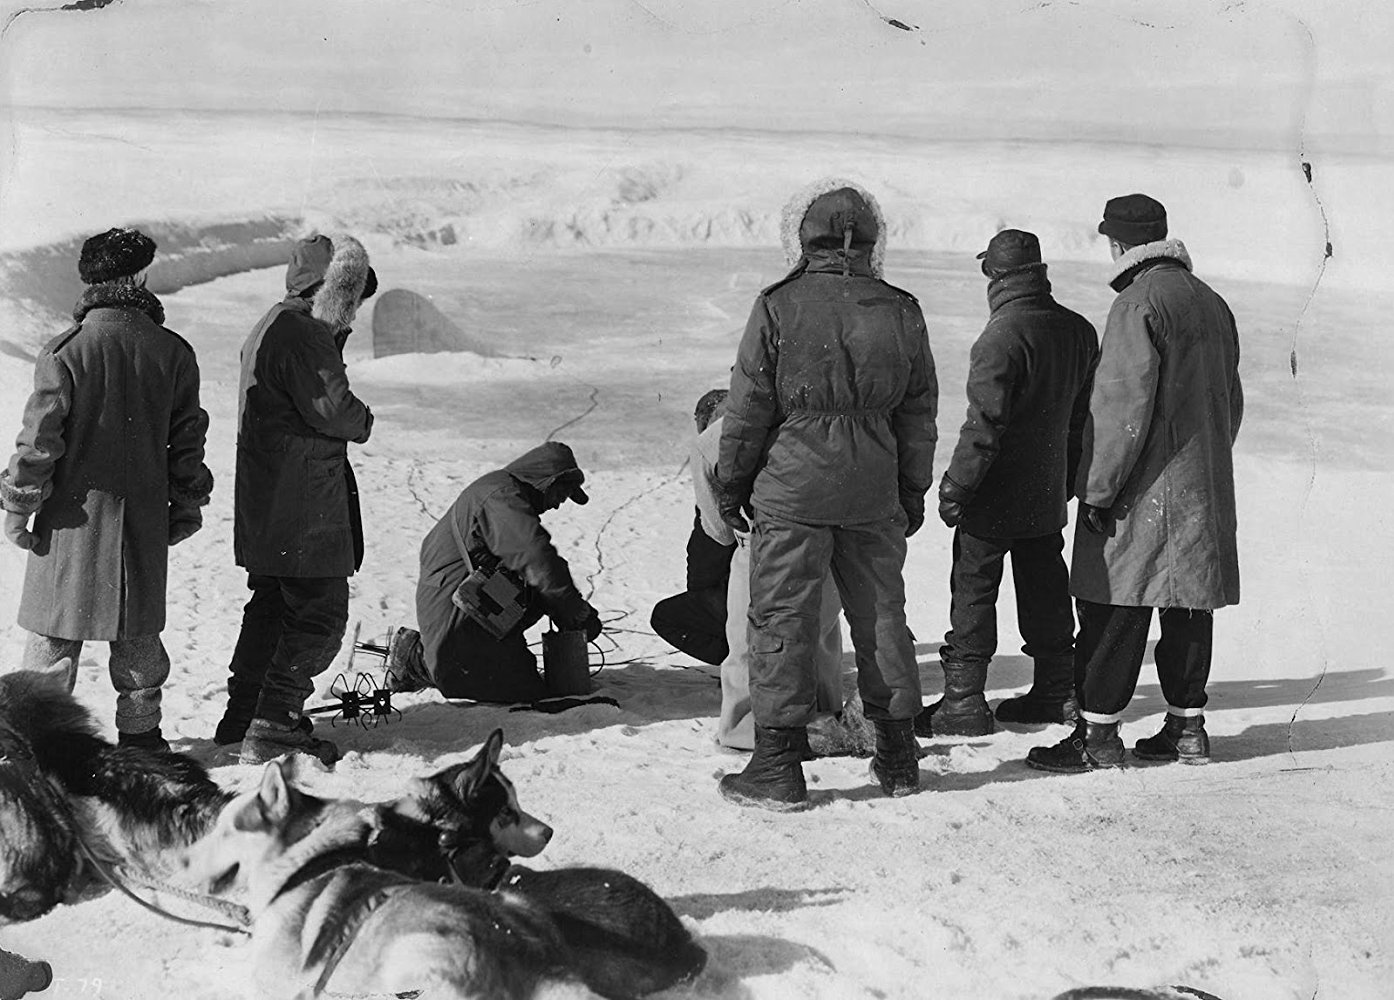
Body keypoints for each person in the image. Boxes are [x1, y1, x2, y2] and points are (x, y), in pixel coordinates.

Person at [715, 178, 937, 808]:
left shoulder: (778, 305)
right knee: (881, 617)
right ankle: (898, 758)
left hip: (793, 489)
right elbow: (919, 413)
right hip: (872, 487)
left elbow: (748, 406)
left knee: (782, 618)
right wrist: (910, 490)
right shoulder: (901, 308)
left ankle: (777, 766)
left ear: (804, 238)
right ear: (870, 240)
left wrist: (732, 484)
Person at [1028, 193, 1243, 772]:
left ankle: (1097, 738)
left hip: (1143, 490)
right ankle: (1186, 729)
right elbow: (1233, 405)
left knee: (1114, 603)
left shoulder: (1137, 304)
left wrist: (1098, 490)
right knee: (1189, 606)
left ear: (1119, 244)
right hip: (1203, 485)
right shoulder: (1212, 302)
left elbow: (1121, 408)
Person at [0, 228, 212, 752]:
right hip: (140, 524)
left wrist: (17, 507)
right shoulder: (173, 352)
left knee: (52, 641)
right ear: (138, 277)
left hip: (68, 525)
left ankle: (36, 743)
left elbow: (38, 444)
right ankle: (142, 743)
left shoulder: (65, 351)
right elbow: (188, 444)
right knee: (138, 642)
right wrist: (184, 508)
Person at [920, 229, 1098, 737]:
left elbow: (984, 426)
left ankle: (963, 703)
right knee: (1045, 586)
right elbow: (1082, 419)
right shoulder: (1079, 330)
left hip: (994, 494)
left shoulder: (1000, 336)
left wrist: (956, 487)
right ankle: (1055, 692)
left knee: (973, 589)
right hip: (1045, 490)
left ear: (995, 277)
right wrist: (1064, 476)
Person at [215, 233, 377, 766]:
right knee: (318, 615)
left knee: (271, 608)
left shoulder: (273, 322)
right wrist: (364, 420)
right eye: (351, 298)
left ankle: (243, 715)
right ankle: (275, 725)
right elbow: (336, 410)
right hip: (302, 503)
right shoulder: (304, 333)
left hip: (269, 502)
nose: (353, 312)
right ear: (329, 290)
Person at [390, 441, 602, 702]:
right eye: (561, 493)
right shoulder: (501, 496)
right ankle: (421, 659)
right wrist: (574, 610)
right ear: (547, 482)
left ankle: (428, 657)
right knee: (521, 691)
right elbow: (536, 557)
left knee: (536, 600)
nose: (559, 504)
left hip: (466, 604)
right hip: (454, 609)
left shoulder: (503, 491)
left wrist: (563, 609)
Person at [648, 390, 738, 666]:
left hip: (742, 586)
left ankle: (739, 666)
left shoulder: (709, 450)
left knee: (666, 616)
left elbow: (715, 539)